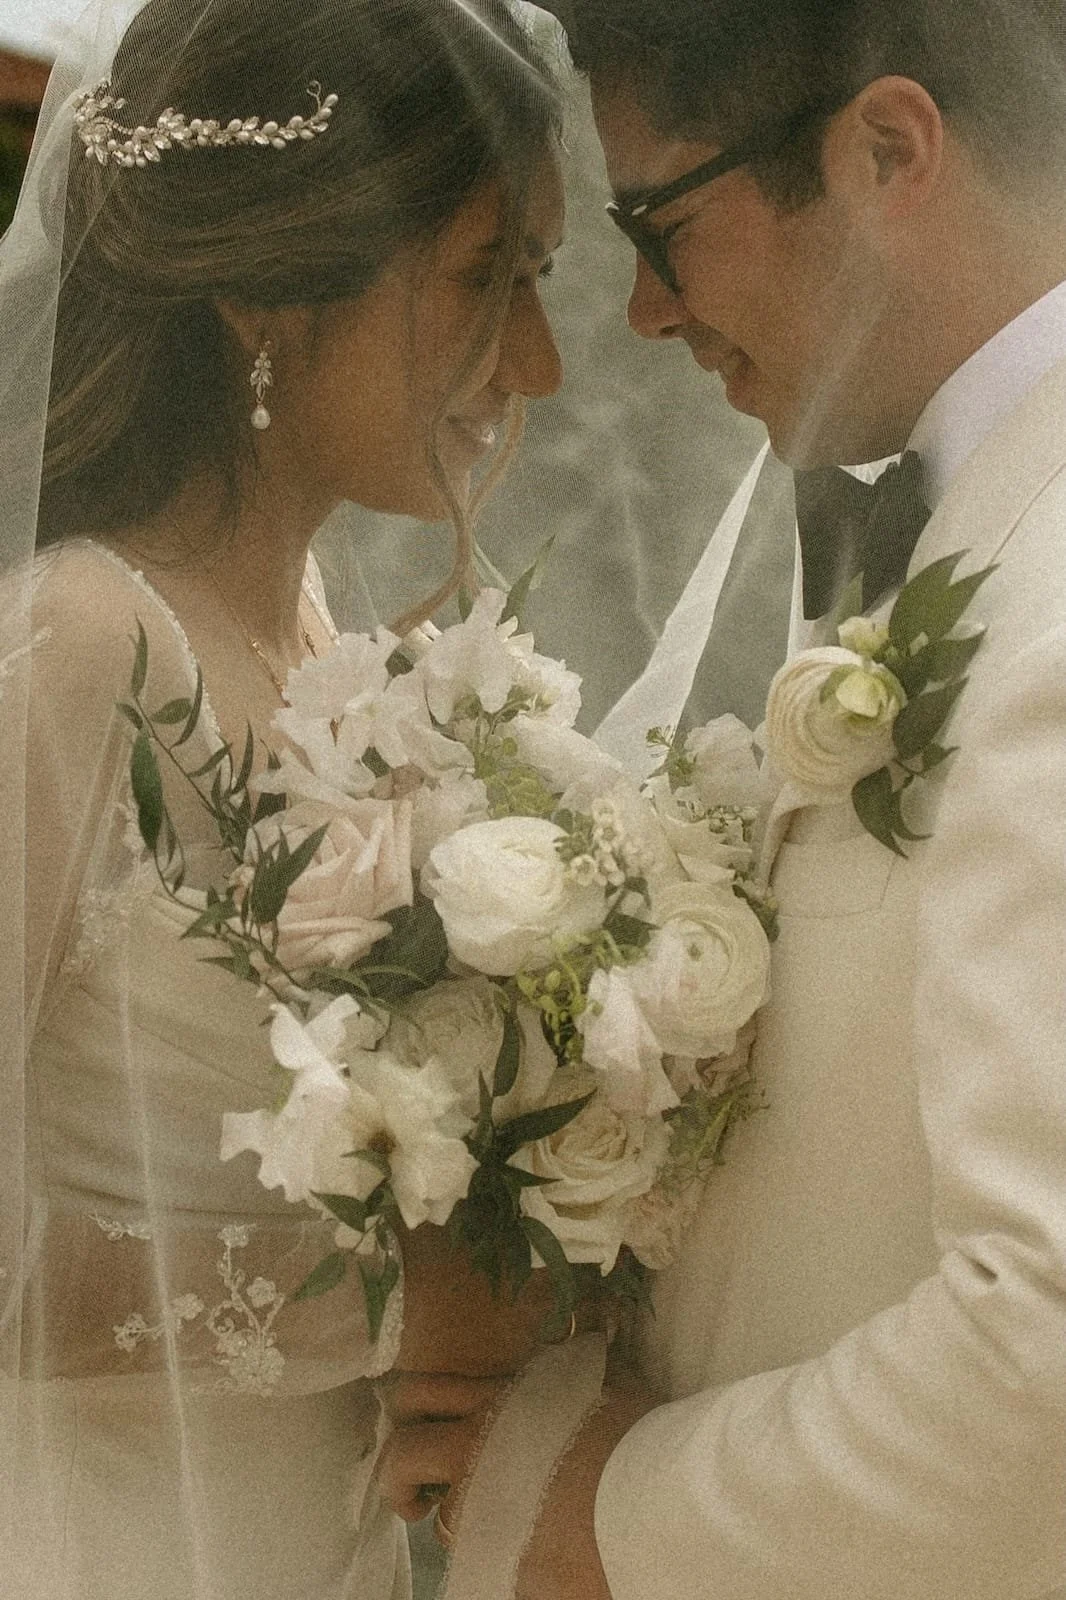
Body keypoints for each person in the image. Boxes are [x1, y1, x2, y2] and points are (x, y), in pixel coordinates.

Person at [378, 3, 1066, 1596]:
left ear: (886, 150)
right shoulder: (984, 524)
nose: (640, 312)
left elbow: (1044, 1341)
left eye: (658, 227)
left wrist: (605, 1509)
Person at [0, 0, 566, 1594]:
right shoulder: (78, 639)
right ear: (262, 290)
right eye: (486, 279)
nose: (537, 362)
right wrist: (389, 1297)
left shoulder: (313, 622)